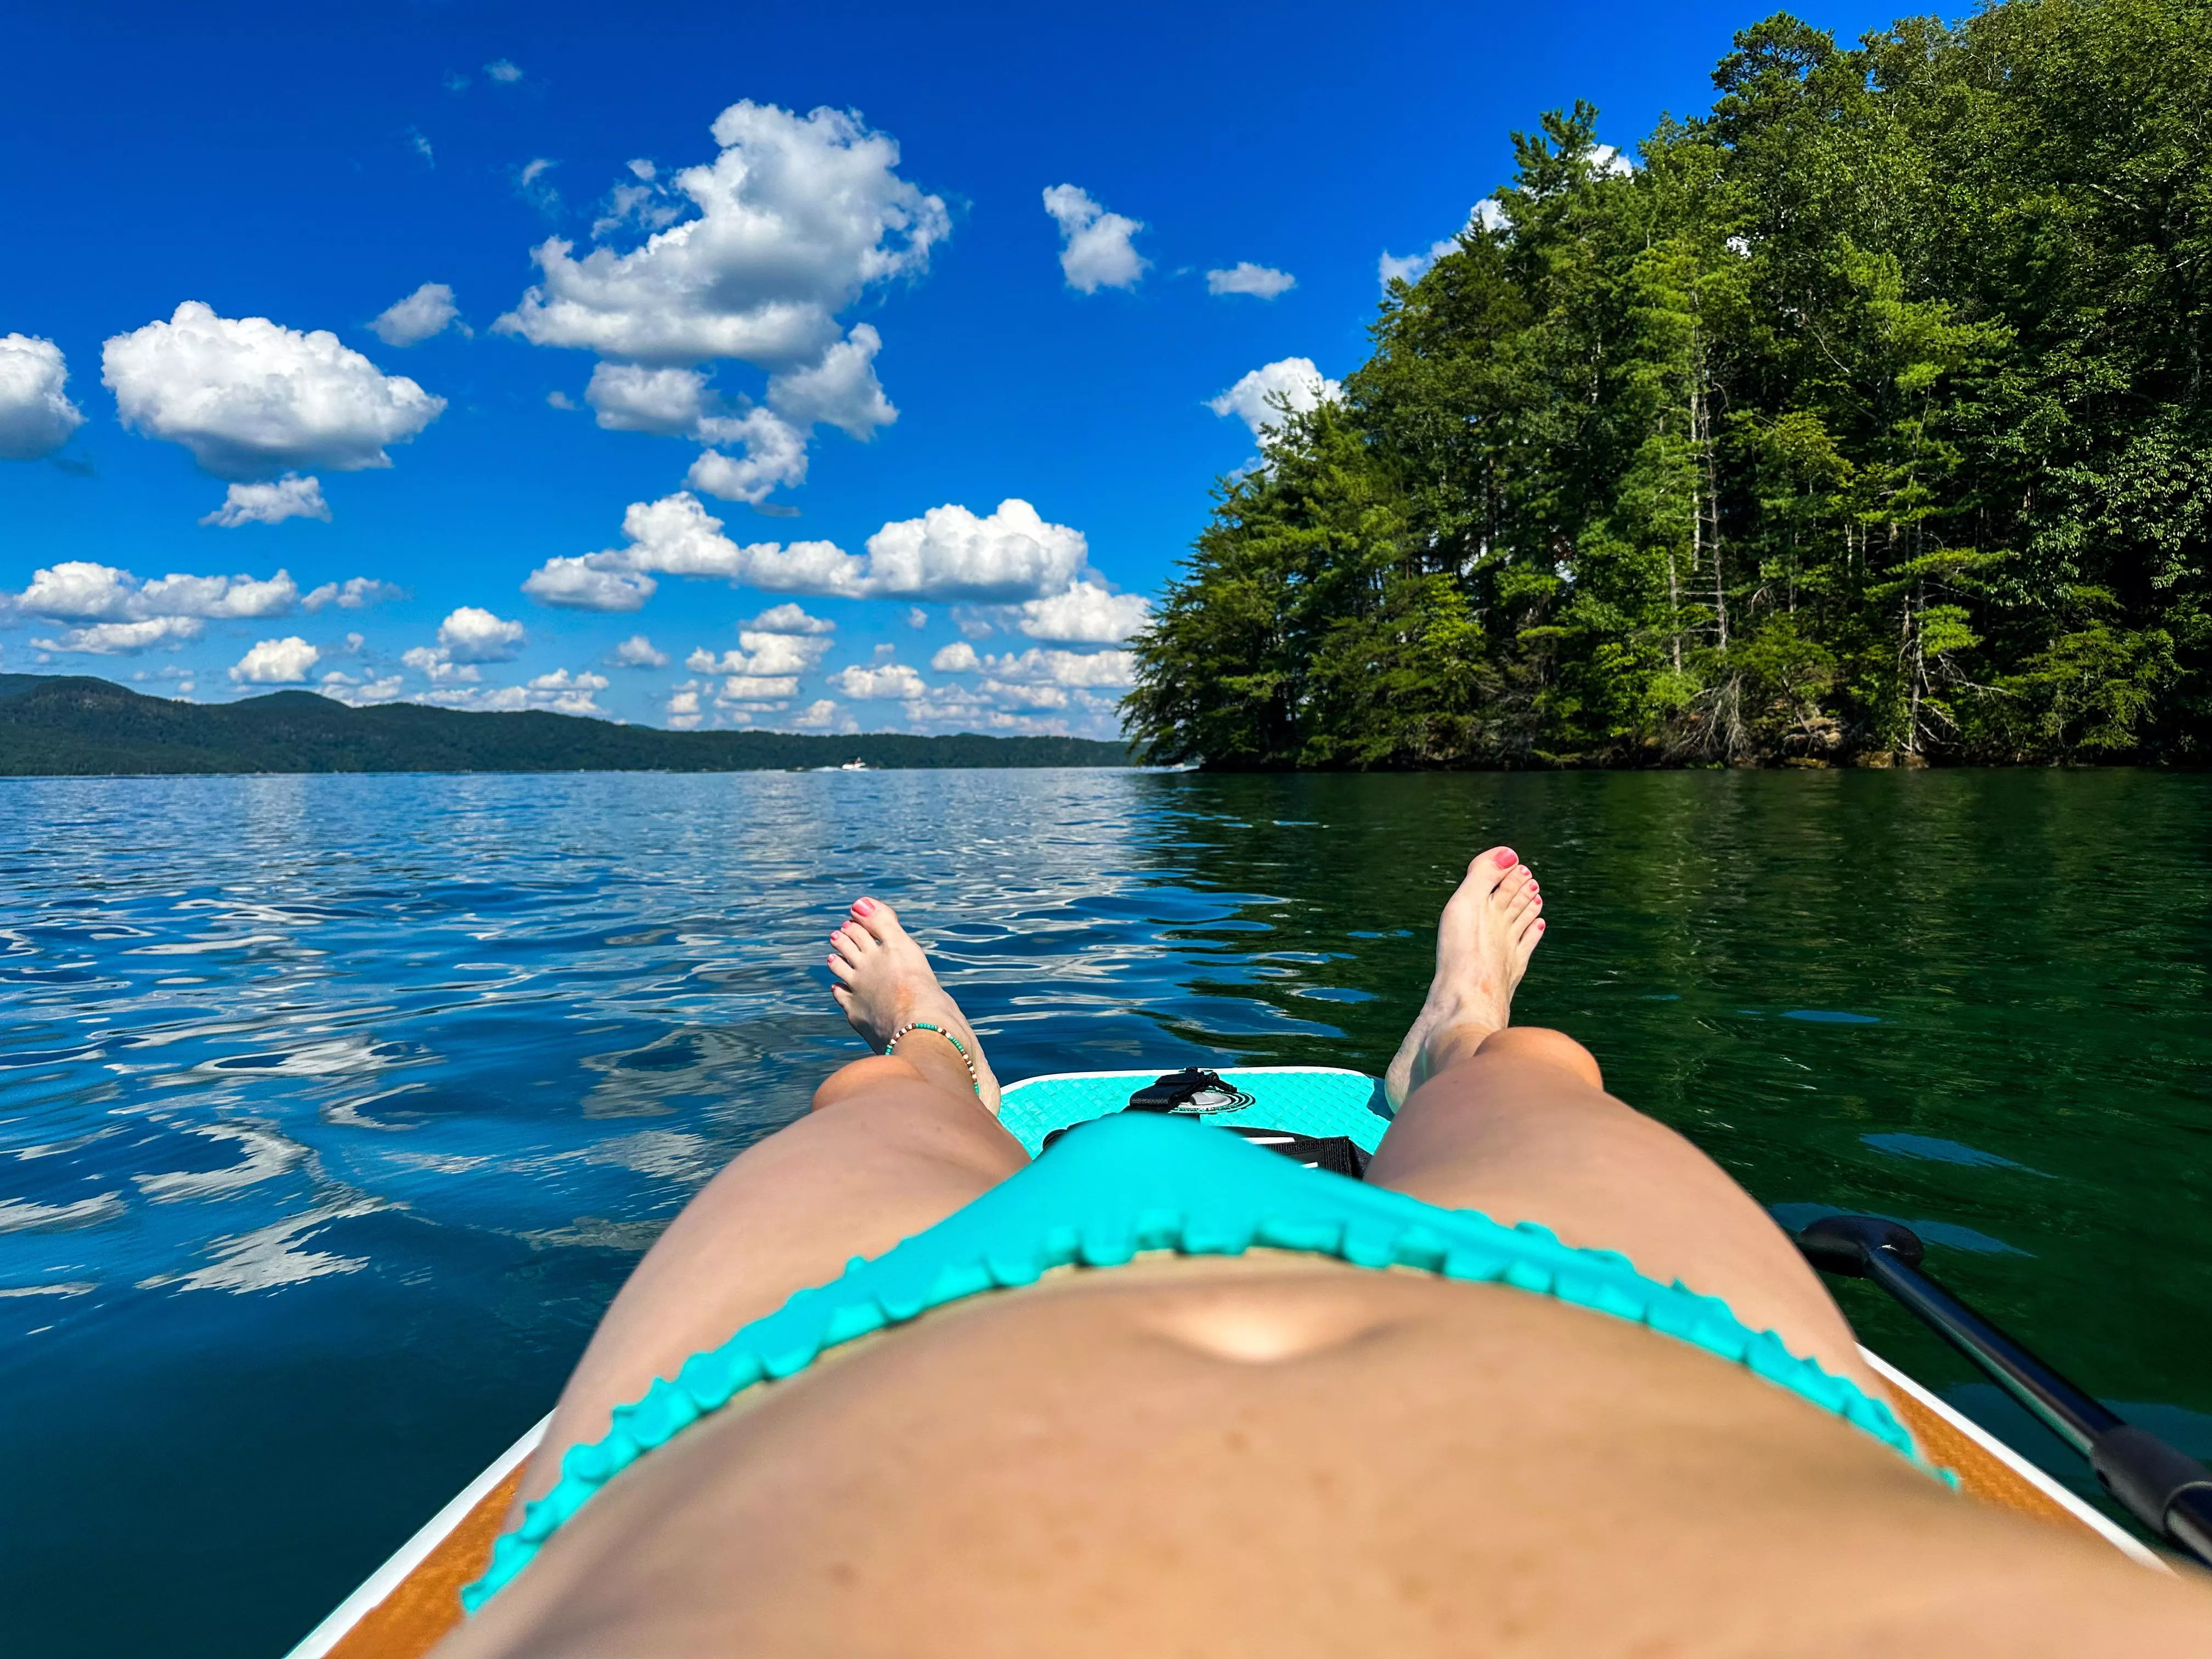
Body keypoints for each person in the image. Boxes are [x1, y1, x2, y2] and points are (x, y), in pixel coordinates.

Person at [439, 848, 2212, 1655]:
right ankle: (1459, 1047)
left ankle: (932, 1055)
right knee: (1541, 1080)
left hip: (818, 1373)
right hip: (1638, 1344)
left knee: (871, 1116)